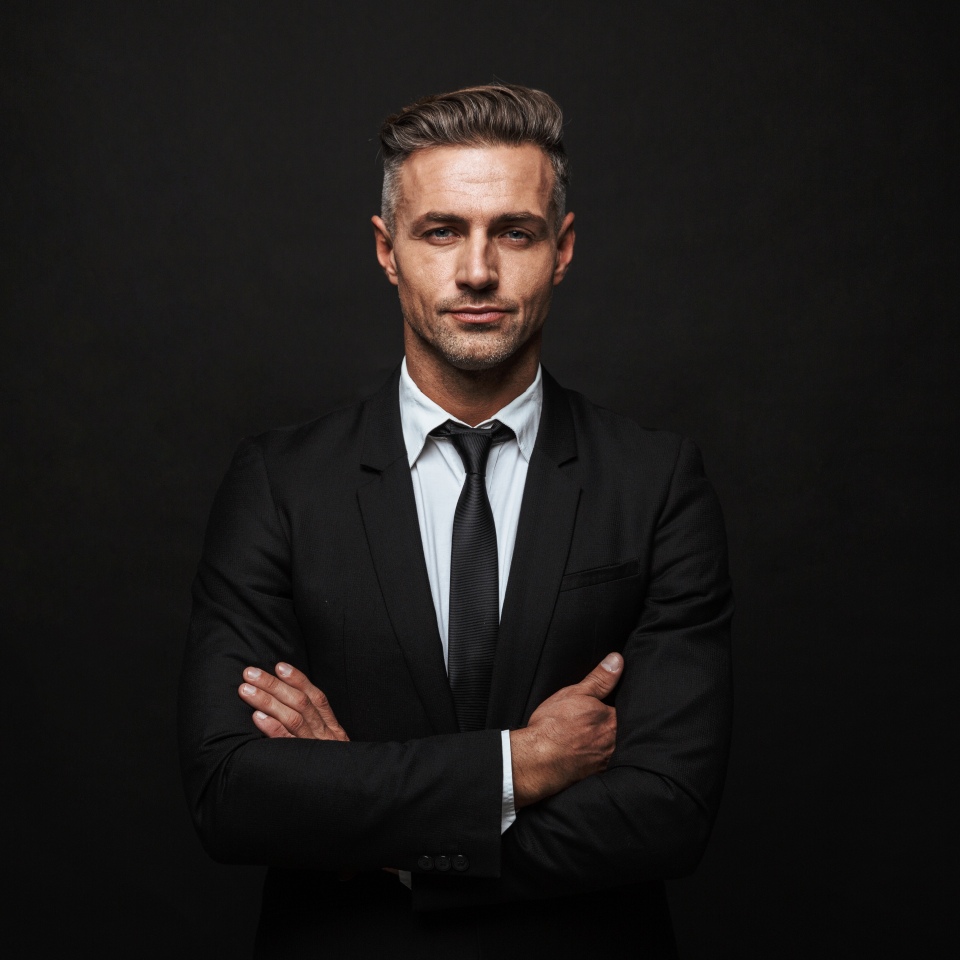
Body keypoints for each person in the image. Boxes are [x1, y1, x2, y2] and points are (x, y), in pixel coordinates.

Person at [178, 83, 733, 959]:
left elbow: (668, 811)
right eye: (442, 231)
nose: (478, 270)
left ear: (563, 249)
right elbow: (233, 792)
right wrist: (520, 766)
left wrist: (382, 841)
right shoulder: (278, 485)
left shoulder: (656, 482)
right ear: (387, 249)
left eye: (514, 231)